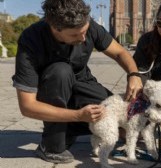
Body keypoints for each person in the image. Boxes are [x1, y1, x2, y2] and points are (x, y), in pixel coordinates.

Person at [12, 0, 142, 164]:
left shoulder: (87, 26)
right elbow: (27, 106)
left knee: (121, 120)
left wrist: (134, 74)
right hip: (54, 88)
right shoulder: (31, 39)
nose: (82, 38)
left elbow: (119, 53)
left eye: (85, 31)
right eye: (74, 34)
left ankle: (69, 128)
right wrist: (78, 115)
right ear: (55, 28)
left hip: (82, 84)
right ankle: (52, 145)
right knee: (60, 71)